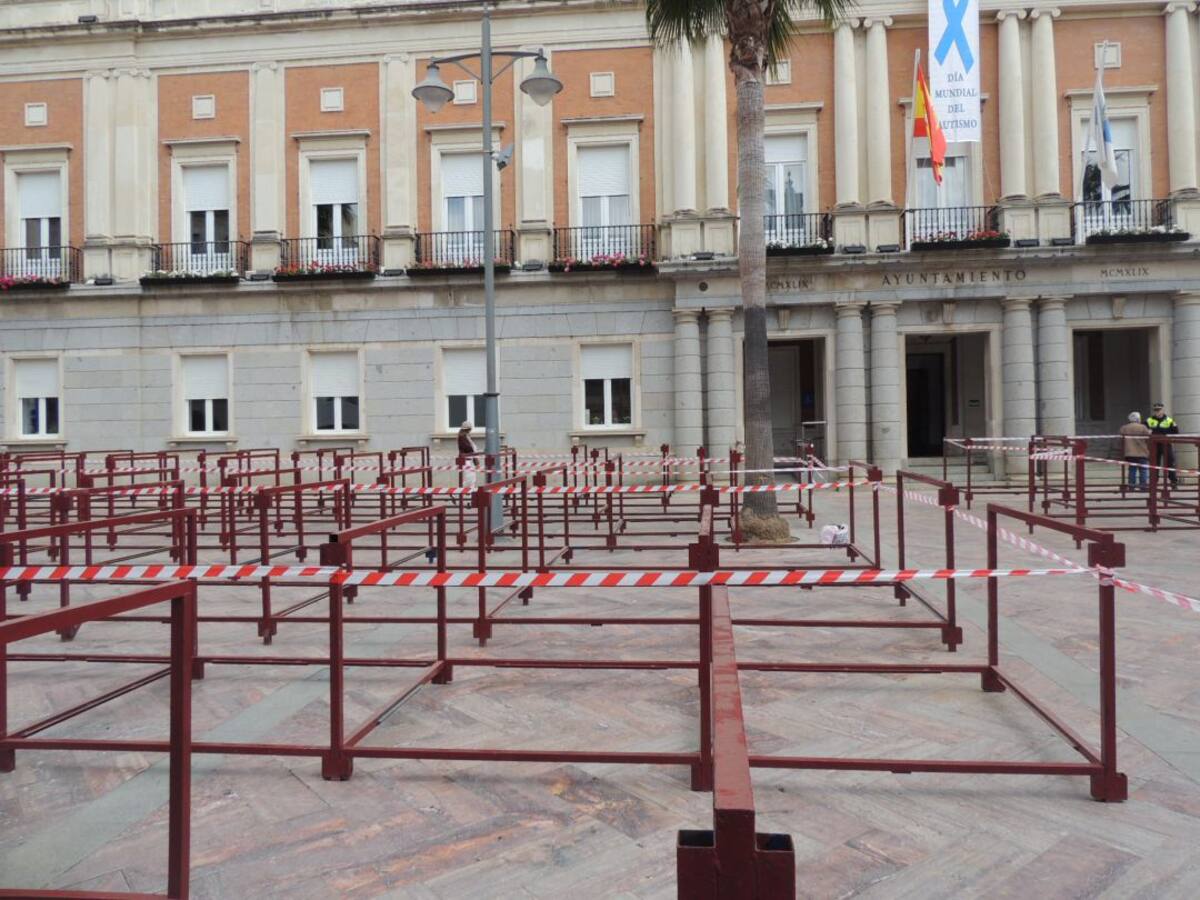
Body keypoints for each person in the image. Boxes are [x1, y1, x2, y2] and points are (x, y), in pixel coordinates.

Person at [1146, 402, 1179, 488]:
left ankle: (1173, 482)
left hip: (1166, 444)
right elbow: (1143, 430)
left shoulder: (1169, 420)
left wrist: (1165, 434)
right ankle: (1154, 482)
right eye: (1155, 410)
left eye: (1159, 410)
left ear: (1163, 410)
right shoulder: (1149, 420)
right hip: (1154, 445)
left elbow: (1175, 432)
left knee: (1170, 463)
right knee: (1154, 463)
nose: (1157, 412)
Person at [1118, 411, 1151, 490]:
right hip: (1142, 452)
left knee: (1132, 470)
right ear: (1138, 419)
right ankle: (1143, 487)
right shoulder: (1143, 427)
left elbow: (1120, 440)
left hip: (1129, 453)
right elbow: (1148, 438)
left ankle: (1131, 487)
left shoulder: (1124, 428)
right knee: (1143, 470)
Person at [457, 421, 479, 489]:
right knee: (469, 478)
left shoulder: (467, 436)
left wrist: (476, 461)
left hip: (470, 459)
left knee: (473, 478)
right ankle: (457, 492)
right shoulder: (462, 437)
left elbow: (471, 449)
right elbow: (468, 448)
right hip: (466, 460)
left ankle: (471, 495)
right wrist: (475, 451)